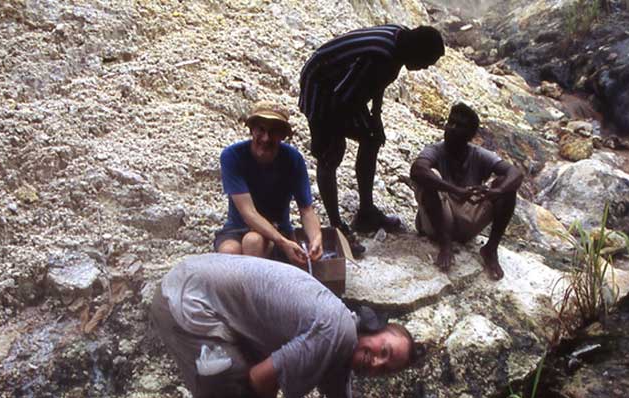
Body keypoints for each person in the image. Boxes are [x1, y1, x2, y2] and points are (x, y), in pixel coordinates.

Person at [150, 253, 416, 398]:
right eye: (384, 350)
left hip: (199, 288)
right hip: (188, 304)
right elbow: (258, 379)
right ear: (372, 327)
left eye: (386, 368)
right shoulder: (334, 331)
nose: (378, 362)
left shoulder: (344, 338)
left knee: (276, 365)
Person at [299, 24, 445, 254]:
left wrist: (375, 119)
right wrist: (332, 135)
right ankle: (337, 226)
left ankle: (366, 212)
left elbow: (377, 84)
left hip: (344, 88)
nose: (425, 67)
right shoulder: (382, 56)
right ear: (416, 51)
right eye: (426, 61)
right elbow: (344, 97)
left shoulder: (400, 41)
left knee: (372, 138)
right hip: (322, 87)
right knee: (330, 154)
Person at [410, 103, 523, 280]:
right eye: (450, 123)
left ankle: (490, 249)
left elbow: (515, 173)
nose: (452, 129)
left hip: (466, 221)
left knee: (506, 187)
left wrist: (498, 190)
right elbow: (417, 170)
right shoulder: (434, 150)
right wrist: (455, 189)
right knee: (429, 176)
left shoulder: (479, 154)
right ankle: (445, 244)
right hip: (436, 223)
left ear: (470, 135)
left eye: (459, 126)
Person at [214, 101, 322, 266]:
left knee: (253, 242)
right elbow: (248, 212)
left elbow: (306, 210)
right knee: (229, 252)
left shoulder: (293, 159)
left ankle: (254, 291)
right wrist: (282, 243)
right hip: (237, 227)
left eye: (273, 132)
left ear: (283, 136)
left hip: (278, 230)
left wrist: (316, 238)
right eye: (261, 130)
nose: (266, 138)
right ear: (252, 130)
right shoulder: (232, 156)